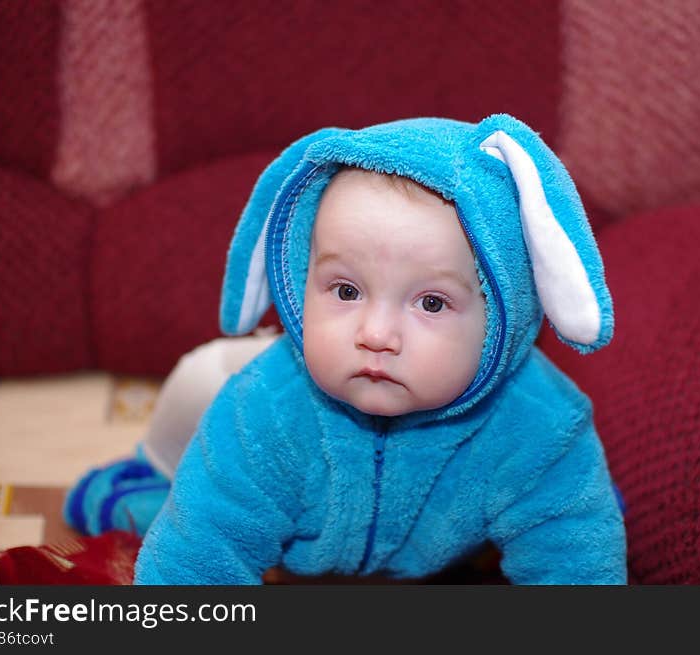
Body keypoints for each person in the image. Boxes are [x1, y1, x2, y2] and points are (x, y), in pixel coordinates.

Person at [67, 114, 627, 584]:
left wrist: (580, 537)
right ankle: (144, 481)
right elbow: (200, 555)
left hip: (425, 553)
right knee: (201, 388)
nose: (376, 334)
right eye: (346, 291)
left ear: (507, 312)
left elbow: (575, 563)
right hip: (243, 450)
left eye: (431, 303)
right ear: (298, 280)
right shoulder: (264, 409)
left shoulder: (542, 429)